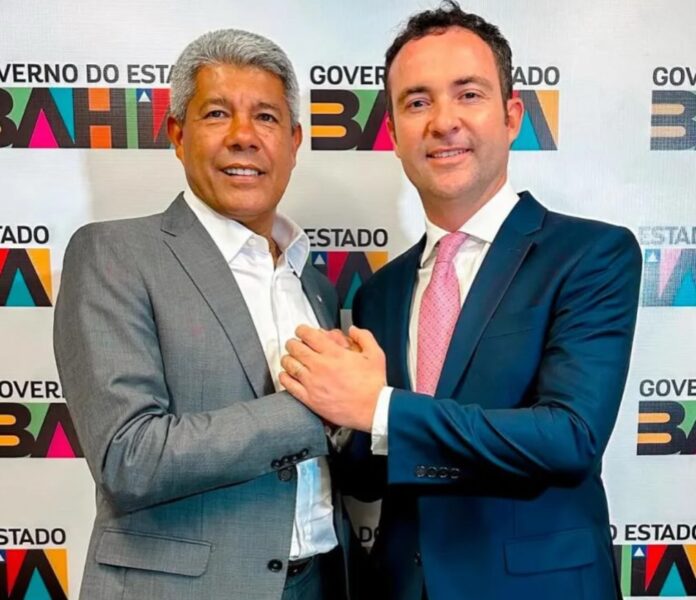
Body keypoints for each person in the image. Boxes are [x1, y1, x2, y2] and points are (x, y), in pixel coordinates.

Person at [280, 3, 642, 599]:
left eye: (468, 94)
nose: (443, 121)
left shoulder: (591, 254)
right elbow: (371, 478)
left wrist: (380, 408)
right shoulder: (380, 293)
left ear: (512, 115)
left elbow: (570, 438)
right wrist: (342, 419)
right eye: (417, 102)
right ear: (393, 133)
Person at [53, 28, 351, 600]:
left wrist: (368, 412)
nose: (243, 136)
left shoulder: (314, 284)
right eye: (217, 114)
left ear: (294, 141)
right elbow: (129, 457)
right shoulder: (113, 254)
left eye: (266, 117)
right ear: (178, 134)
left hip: (321, 581)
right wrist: (320, 409)